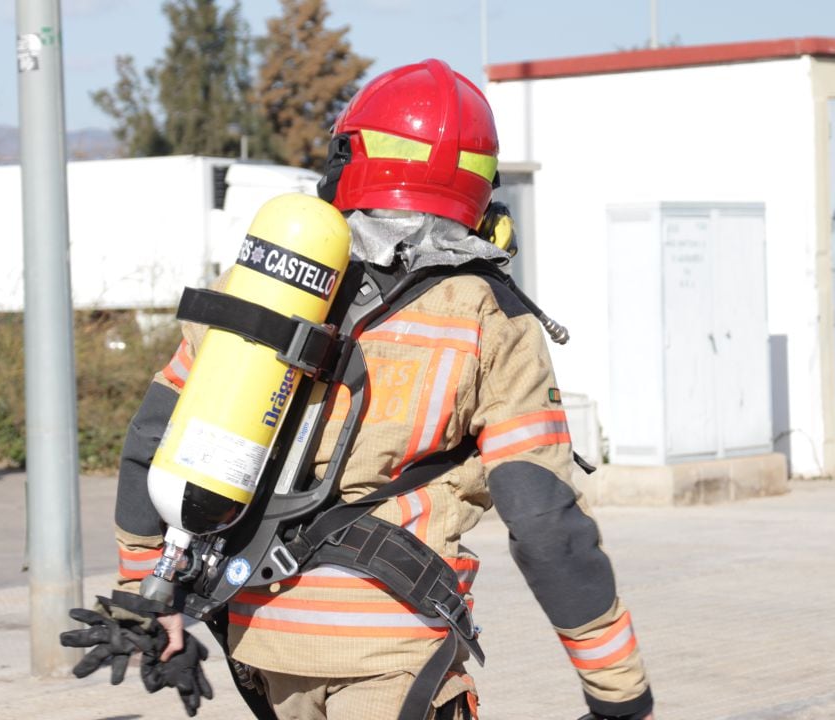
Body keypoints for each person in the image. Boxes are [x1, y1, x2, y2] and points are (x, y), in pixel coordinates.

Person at [63, 58, 655, 720]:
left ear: (352, 154)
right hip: (394, 653)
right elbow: (547, 525)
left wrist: (146, 597)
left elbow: (151, 438)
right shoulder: (487, 314)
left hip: (262, 639)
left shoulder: (267, 283)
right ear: (481, 182)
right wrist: (619, 693)